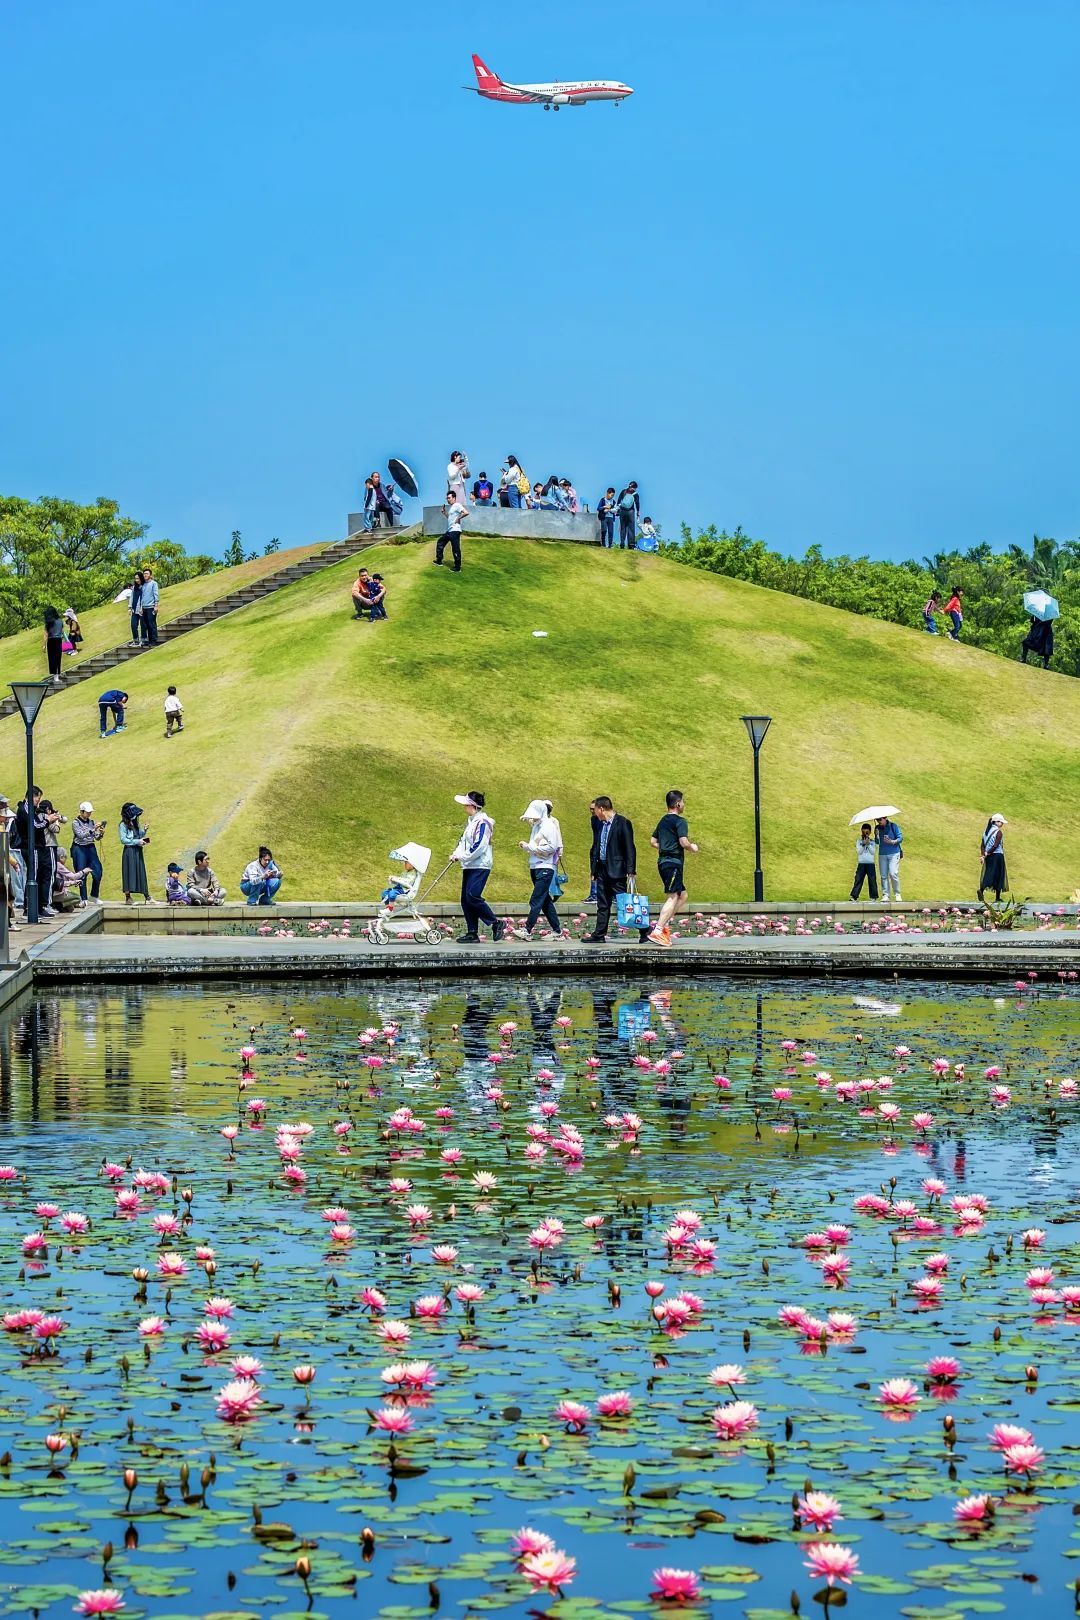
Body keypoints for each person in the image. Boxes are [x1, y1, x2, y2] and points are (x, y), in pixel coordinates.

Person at [583, 796, 646, 944]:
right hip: (602, 869)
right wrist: (594, 870)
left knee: (626, 902)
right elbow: (596, 846)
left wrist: (631, 870)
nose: (594, 814)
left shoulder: (622, 823)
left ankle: (645, 930)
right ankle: (599, 934)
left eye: (595, 810)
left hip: (617, 870)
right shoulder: (599, 824)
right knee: (602, 903)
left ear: (601, 809)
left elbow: (630, 847)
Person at [450, 791, 505, 943]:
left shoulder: (483, 823)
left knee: (472, 896)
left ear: (472, 806)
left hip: (480, 864)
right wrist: (456, 854)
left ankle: (495, 923)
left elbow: (480, 846)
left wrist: (462, 856)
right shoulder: (471, 822)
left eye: (465, 804)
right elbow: (463, 842)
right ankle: (472, 932)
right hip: (469, 865)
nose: (464, 807)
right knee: (465, 900)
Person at [646, 790, 699, 946]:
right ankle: (658, 930)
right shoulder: (680, 821)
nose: (684, 805)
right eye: (683, 802)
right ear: (677, 804)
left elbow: (652, 841)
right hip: (673, 863)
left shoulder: (663, 821)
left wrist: (666, 846)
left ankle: (664, 925)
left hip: (663, 862)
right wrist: (692, 848)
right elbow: (683, 842)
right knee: (673, 896)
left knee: (683, 895)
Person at [519, 799, 563, 938]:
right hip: (535, 865)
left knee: (536, 899)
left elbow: (552, 846)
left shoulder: (549, 826)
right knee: (545, 901)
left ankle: (527, 930)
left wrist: (529, 847)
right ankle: (557, 931)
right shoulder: (537, 826)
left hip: (545, 866)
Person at [14, 787, 48, 917]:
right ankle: (30, 908)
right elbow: (35, 825)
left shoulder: (30, 809)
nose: (38, 801)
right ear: (31, 796)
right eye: (37, 798)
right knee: (33, 876)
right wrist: (47, 820)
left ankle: (37, 907)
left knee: (37, 876)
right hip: (30, 847)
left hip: (35, 846)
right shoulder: (25, 809)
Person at [71, 801, 106, 900]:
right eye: (87, 812)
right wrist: (93, 829)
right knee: (82, 873)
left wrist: (101, 833)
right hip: (79, 848)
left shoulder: (91, 822)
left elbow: (96, 837)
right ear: (81, 812)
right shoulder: (75, 822)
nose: (89, 814)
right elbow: (80, 835)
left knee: (98, 871)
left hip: (90, 847)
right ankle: (84, 898)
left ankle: (94, 895)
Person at [119, 802, 152, 905]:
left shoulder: (134, 823)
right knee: (129, 872)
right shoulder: (123, 825)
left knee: (140, 871)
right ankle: (128, 897)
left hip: (137, 851)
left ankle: (147, 896)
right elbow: (123, 840)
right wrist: (137, 842)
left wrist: (144, 831)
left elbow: (138, 834)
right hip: (129, 851)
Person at [37, 799, 67, 913]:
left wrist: (58, 817)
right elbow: (56, 829)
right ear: (48, 809)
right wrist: (55, 821)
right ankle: (47, 904)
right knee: (50, 876)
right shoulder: (45, 817)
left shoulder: (38, 815)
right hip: (49, 846)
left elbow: (65, 819)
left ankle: (44, 904)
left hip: (42, 848)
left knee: (44, 876)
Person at [0, 795, 23, 917]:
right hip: (2, 867)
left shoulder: (2, 826)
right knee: (6, 895)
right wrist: (14, 862)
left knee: (9, 894)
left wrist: (13, 862)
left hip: (4, 866)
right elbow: (3, 849)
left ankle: (8, 921)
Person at [978, 814, 1008, 902]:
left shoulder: (986, 832)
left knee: (988, 873)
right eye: (1001, 822)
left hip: (989, 857)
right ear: (996, 822)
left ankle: (981, 890)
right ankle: (997, 897)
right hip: (997, 856)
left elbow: (982, 845)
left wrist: (984, 855)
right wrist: (988, 852)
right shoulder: (998, 832)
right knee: (999, 875)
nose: (1002, 824)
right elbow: (996, 845)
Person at [435, 490, 466, 571]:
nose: (447, 499)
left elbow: (466, 512)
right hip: (450, 530)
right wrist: (444, 513)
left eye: (449, 498)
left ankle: (457, 567)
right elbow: (450, 518)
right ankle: (439, 561)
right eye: (447, 498)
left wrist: (458, 518)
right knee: (440, 542)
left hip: (455, 530)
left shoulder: (457, 505)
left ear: (454, 498)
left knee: (455, 548)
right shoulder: (452, 507)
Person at [875, 815, 903, 901]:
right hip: (882, 853)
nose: (879, 821)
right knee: (883, 875)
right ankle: (885, 895)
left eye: (880, 819)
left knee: (893, 873)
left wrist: (892, 841)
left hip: (894, 853)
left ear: (885, 818)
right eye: (877, 819)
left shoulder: (893, 826)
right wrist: (876, 836)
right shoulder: (877, 828)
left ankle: (897, 894)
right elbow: (877, 842)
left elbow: (900, 838)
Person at [850, 823, 878, 901]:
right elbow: (859, 852)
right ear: (862, 831)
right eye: (864, 831)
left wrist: (868, 844)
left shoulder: (872, 841)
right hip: (861, 863)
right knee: (858, 879)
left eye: (867, 832)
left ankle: (873, 897)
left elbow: (873, 852)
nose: (865, 833)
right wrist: (863, 844)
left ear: (869, 832)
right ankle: (854, 896)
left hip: (870, 864)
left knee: (872, 880)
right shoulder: (859, 841)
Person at [43, 606, 65, 683]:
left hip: (51, 640)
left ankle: (55, 676)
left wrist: (44, 645)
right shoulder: (60, 621)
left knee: (52, 658)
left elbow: (46, 634)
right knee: (58, 658)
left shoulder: (48, 622)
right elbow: (62, 632)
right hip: (59, 640)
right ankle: (57, 676)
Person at [140, 567, 160, 646]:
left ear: (150, 575)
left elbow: (156, 594)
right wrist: (141, 607)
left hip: (151, 607)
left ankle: (154, 640)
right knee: (145, 625)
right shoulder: (143, 585)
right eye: (144, 574)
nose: (145, 575)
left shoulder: (154, 583)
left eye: (147, 574)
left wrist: (156, 605)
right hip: (144, 607)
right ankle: (148, 640)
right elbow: (142, 597)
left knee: (152, 624)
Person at [616, 483, 640, 549]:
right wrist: (638, 511)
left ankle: (622, 543)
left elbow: (618, 501)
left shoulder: (623, 491)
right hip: (630, 512)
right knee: (631, 528)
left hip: (622, 511)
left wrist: (618, 510)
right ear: (634, 487)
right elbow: (637, 503)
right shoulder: (635, 494)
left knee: (623, 527)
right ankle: (631, 545)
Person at [127, 570, 145, 644]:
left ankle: (144, 640)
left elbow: (144, 597)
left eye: (138, 578)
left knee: (143, 625)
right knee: (133, 625)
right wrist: (130, 607)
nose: (137, 580)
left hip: (142, 609)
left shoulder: (144, 586)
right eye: (135, 579)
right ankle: (136, 640)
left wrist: (142, 607)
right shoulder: (135, 588)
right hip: (135, 609)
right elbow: (131, 597)